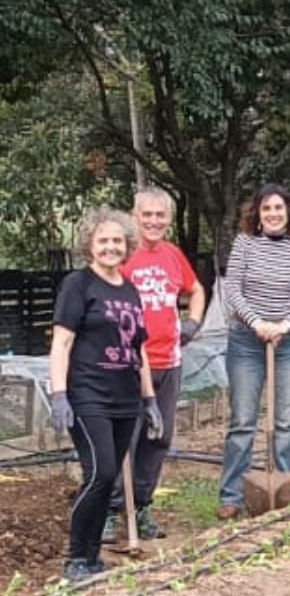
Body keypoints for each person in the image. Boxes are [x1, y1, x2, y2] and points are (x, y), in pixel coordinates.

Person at [49, 208, 163, 581]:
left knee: (107, 478)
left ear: (127, 245)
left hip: (125, 399)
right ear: (90, 245)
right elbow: (62, 342)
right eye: (103, 241)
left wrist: (150, 400)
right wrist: (59, 394)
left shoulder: (129, 289)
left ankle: (92, 557)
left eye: (117, 240)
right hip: (88, 395)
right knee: (101, 472)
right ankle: (76, 558)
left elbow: (138, 348)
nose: (110, 247)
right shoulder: (78, 284)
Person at [102, 187, 206, 543]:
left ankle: (143, 505)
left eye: (160, 215)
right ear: (135, 216)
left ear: (169, 220)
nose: (153, 221)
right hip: (129, 364)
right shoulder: (122, 255)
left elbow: (196, 289)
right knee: (123, 438)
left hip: (169, 361)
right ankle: (111, 509)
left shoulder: (173, 255)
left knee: (159, 438)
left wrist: (192, 323)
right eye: (147, 214)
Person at [218, 184, 290, 519]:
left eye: (278, 208)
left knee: (285, 422)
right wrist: (257, 323)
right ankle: (231, 494)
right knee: (243, 421)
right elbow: (233, 289)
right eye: (266, 209)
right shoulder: (244, 244)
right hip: (246, 342)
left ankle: (286, 493)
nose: (273, 214)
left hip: (287, 343)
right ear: (257, 215)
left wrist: (285, 325)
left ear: (289, 213)